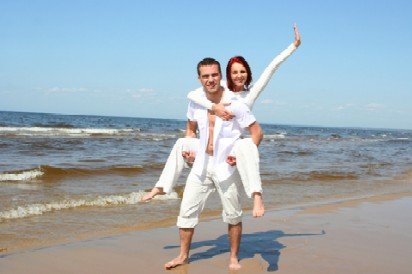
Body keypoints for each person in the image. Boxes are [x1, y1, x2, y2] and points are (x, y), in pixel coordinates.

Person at [142, 24, 301, 217]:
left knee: (247, 146)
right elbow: (192, 95)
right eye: (234, 72)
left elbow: (272, 67)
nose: (239, 76)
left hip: (231, 147)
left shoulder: (250, 94)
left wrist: (293, 46)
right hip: (208, 148)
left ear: (248, 73)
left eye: (243, 71)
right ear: (228, 74)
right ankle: (160, 187)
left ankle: (257, 196)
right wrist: (214, 107)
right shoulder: (221, 87)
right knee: (181, 143)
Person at [165, 57, 263, 270]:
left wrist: (241, 156)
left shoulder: (234, 102)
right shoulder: (196, 101)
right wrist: (190, 150)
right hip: (201, 165)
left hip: (226, 167)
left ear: (221, 76)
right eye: (206, 76)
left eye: (214, 75)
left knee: (233, 213)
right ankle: (183, 256)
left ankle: (233, 257)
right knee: (186, 211)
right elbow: (190, 130)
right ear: (199, 79)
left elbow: (257, 133)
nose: (210, 79)